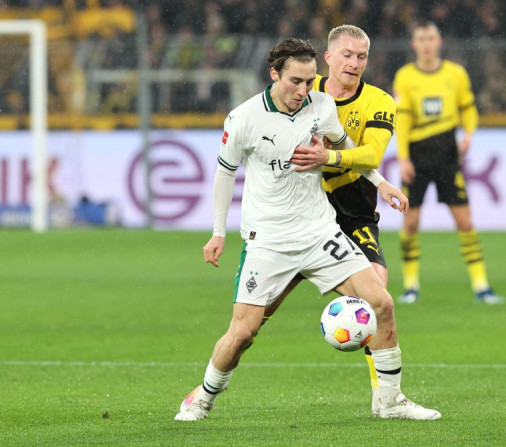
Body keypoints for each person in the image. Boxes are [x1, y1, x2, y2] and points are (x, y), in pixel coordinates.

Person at [174, 38, 441, 422]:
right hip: (268, 242)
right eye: (295, 81)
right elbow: (224, 174)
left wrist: (381, 183)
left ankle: (391, 401)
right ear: (274, 74)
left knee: (381, 303)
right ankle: (204, 396)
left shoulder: (322, 105)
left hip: (320, 234)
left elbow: (348, 148)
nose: (303, 90)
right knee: (244, 332)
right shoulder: (244, 118)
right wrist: (218, 232)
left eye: (309, 81)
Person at [275, 24, 402, 417]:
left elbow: (371, 155)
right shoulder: (303, 91)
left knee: (377, 292)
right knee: (255, 316)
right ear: (328, 58)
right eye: (347, 54)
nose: (354, 63)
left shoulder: (379, 101)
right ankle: (207, 387)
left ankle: (385, 397)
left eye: (362, 56)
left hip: (352, 210)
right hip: (300, 214)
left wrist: (366, 175)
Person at [393, 21, 504, 305]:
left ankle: (481, 287)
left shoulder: (455, 74)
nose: (426, 44)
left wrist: (469, 134)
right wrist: (403, 157)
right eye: (421, 39)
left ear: (439, 41)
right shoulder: (405, 77)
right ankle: (410, 286)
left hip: (447, 155)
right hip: (417, 155)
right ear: (414, 44)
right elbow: (401, 120)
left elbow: (468, 108)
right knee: (411, 223)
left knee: (465, 221)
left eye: (430, 38)